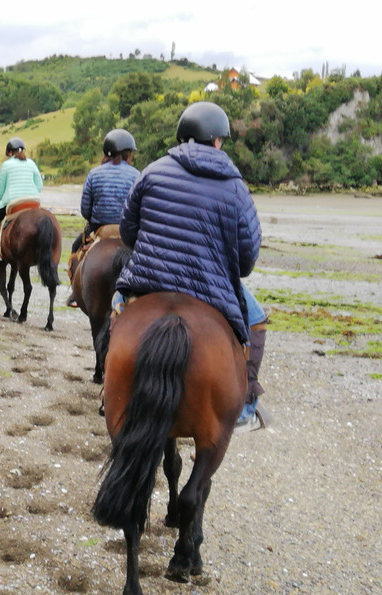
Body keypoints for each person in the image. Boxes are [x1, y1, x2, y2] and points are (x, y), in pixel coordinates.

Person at [114, 101, 268, 428]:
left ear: (183, 137)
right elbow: (247, 260)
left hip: (147, 279)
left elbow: (127, 233)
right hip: (209, 285)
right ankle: (245, 405)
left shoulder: (152, 171)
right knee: (257, 320)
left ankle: (109, 387)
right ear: (216, 141)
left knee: (116, 308)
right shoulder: (236, 186)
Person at [72, 128, 140, 253]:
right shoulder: (137, 175)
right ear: (128, 153)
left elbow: (85, 210)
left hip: (99, 229)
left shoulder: (93, 174)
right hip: (127, 231)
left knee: (75, 248)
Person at [0, 137, 43, 261]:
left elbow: (0, 193)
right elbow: (39, 185)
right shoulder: (31, 163)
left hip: (14, 204)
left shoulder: (6, 165)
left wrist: (5, 198)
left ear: (10, 152)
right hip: (33, 202)